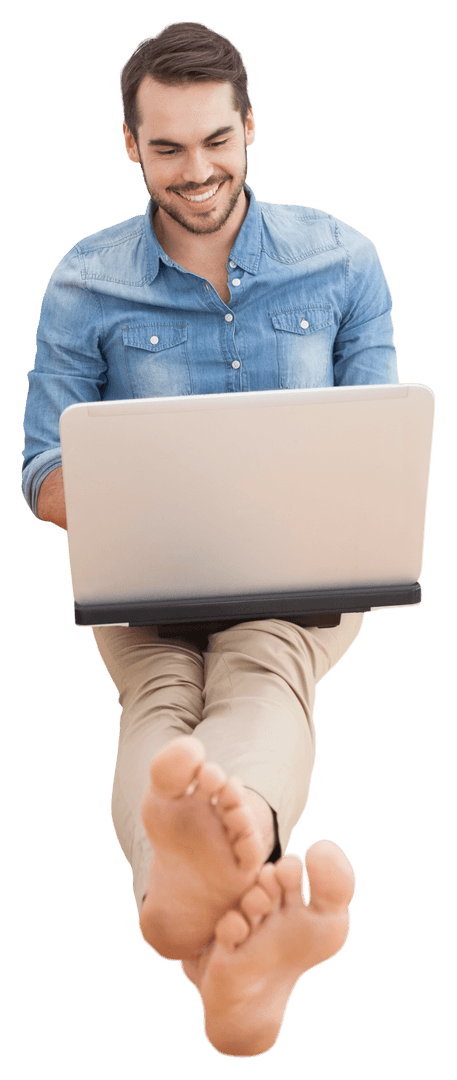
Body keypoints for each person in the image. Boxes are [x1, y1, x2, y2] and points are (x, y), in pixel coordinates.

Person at [22, 22, 398, 1058]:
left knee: (261, 664)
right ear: (131, 146)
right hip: (142, 577)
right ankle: (222, 918)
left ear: (249, 128)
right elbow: (42, 476)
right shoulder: (83, 281)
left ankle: (182, 884)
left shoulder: (342, 260)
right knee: (163, 692)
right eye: (171, 148)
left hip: (303, 571)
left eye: (217, 142)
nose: (199, 172)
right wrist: (155, 502)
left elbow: (381, 444)